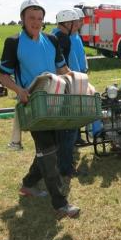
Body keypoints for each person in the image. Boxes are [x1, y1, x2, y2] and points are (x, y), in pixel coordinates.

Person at [0, 0, 80, 219]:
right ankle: (60, 203)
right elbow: (3, 75)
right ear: (23, 19)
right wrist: (19, 90)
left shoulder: (52, 40)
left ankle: (28, 184)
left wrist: (78, 81)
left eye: (39, 18)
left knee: (49, 147)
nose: (36, 22)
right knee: (49, 152)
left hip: (54, 102)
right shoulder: (13, 42)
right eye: (31, 18)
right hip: (32, 105)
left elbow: (62, 68)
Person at [52, 9, 81, 183]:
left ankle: (60, 164)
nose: (76, 26)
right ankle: (66, 168)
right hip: (65, 85)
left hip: (57, 85)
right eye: (73, 23)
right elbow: (61, 65)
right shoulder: (62, 38)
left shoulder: (53, 35)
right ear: (68, 24)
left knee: (61, 128)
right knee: (69, 128)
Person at [71, 7, 90, 147]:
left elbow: (80, 54)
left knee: (79, 107)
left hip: (80, 75)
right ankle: (74, 137)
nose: (82, 23)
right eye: (81, 20)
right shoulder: (67, 36)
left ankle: (77, 135)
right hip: (72, 77)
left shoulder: (76, 35)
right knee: (74, 108)